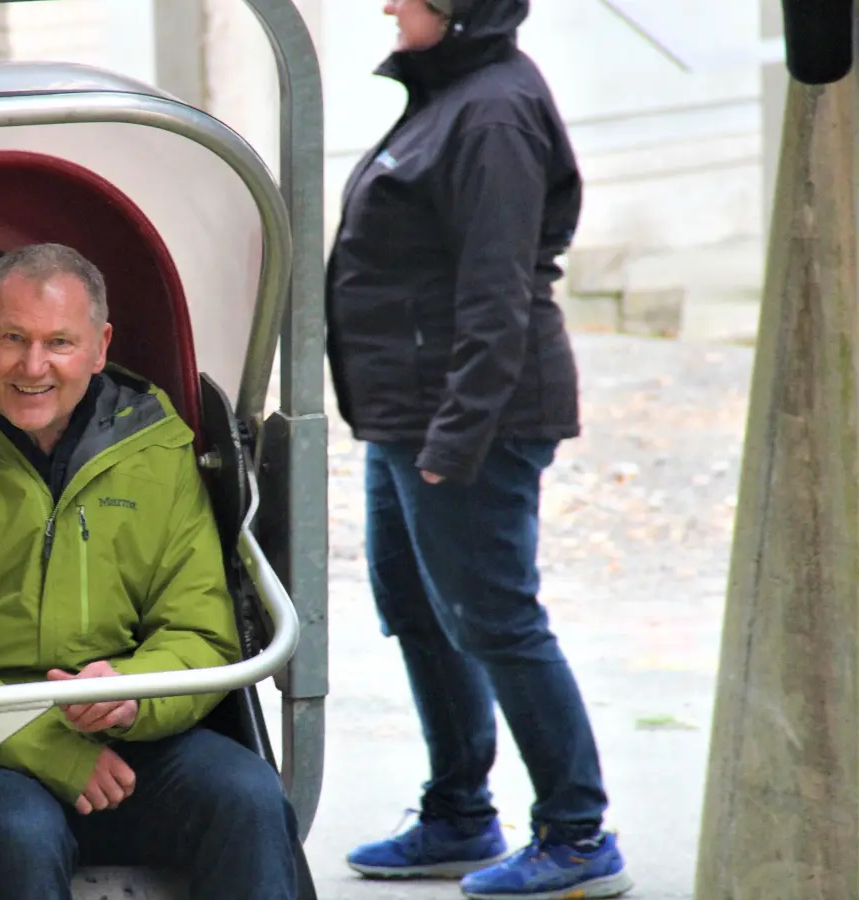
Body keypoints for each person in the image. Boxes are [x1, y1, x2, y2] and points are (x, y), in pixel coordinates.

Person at [0, 243, 300, 899]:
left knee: (249, 796)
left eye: (60, 343)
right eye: (13, 338)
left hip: (128, 737)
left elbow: (202, 631)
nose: (34, 365)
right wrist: (44, 743)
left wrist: (134, 688)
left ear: (100, 347)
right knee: (16, 832)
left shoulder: (157, 449)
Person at [325, 2, 634, 899]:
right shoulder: (451, 95)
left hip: (468, 418)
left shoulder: (493, 112)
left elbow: (496, 295)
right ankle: (459, 813)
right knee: (419, 609)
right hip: (403, 414)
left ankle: (577, 835)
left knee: (496, 618)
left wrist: (455, 439)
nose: (387, 4)